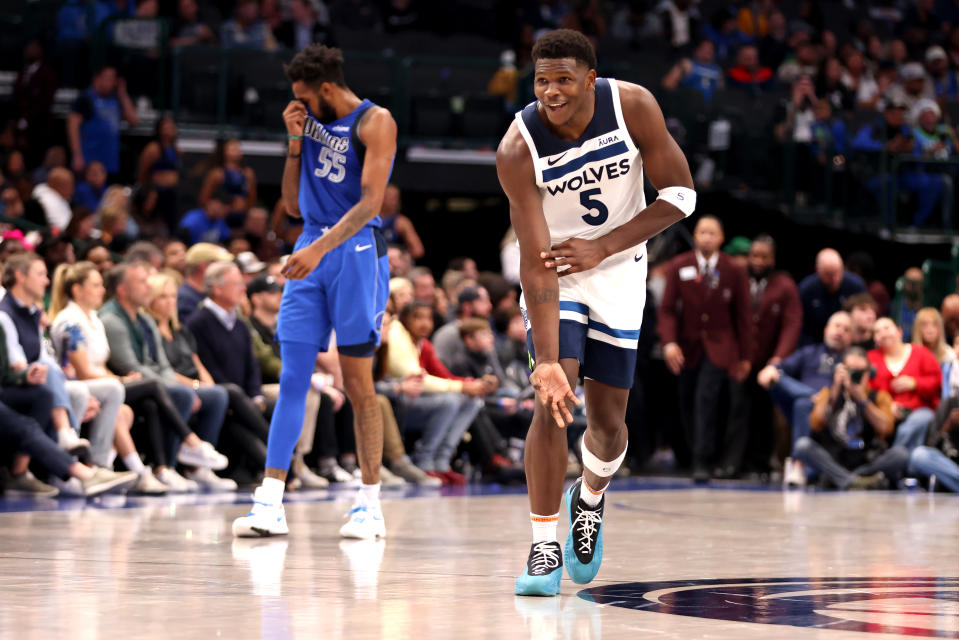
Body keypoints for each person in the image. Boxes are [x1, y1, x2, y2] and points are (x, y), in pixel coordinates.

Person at [496, 29, 695, 596]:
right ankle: (541, 547)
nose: (551, 92)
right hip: (557, 273)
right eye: (541, 81)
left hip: (620, 268)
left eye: (562, 79)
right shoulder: (518, 147)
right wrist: (549, 360)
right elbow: (534, 263)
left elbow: (681, 196)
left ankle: (590, 497)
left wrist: (604, 246)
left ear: (589, 78)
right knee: (553, 401)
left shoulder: (631, 105)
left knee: (608, 425)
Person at [232, 44, 397, 540]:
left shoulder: (375, 122)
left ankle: (370, 505)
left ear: (326, 89)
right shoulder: (307, 124)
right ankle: (270, 500)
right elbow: (290, 202)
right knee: (293, 380)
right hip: (312, 242)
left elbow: (370, 204)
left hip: (356, 252)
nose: (299, 104)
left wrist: (319, 249)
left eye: (304, 96)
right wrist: (294, 140)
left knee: (358, 383)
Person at [48, 261, 169, 494]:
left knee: (126, 411)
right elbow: (82, 370)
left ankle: (107, 468)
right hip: (77, 384)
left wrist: (115, 378)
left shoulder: (94, 319)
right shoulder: (69, 320)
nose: (102, 290)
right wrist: (119, 381)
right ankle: (118, 467)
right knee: (121, 391)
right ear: (77, 290)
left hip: (99, 382)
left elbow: (101, 364)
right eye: (95, 285)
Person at [660, 216, 752, 481]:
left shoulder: (733, 269)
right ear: (695, 236)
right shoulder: (680, 265)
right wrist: (669, 343)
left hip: (721, 348)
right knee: (686, 400)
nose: (707, 237)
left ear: (721, 238)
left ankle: (703, 460)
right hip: (687, 347)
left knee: (706, 400)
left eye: (712, 233)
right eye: (702, 232)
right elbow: (667, 310)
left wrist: (745, 356)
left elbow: (743, 316)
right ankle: (694, 454)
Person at [794, 347, 907, 490]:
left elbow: (886, 428)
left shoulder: (879, 396)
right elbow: (816, 424)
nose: (856, 375)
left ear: (868, 373)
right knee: (802, 445)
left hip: (866, 459)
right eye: (851, 370)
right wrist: (835, 389)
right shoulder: (829, 393)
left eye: (861, 371)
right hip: (834, 458)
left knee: (901, 454)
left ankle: (848, 479)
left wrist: (862, 399)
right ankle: (853, 480)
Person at [868, 317, 940, 452]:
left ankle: (892, 457)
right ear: (875, 339)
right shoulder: (871, 358)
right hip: (885, 414)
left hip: (920, 410)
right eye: (877, 331)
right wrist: (887, 405)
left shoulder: (921, 353)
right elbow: (867, 390)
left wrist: (915, 383)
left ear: (899, 331)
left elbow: (936, 383)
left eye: (887, 328)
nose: (883, 333)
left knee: (912, 425)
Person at [66, 66, 138, 177]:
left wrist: (123, 94)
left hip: (110, 162)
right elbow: (72, 126)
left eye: (113, 79)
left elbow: (133, 120)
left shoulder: (115, 100)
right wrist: (77, 155)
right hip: (89, 162)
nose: (111, 82)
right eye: (107, 78)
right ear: (96, 78)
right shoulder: (85, 98)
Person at [797, 248, 866, 346]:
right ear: (817, 271)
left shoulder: (856, 286)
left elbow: (865, 318)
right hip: (815, 343)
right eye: (829, 274)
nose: (835, 279)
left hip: (849, 343)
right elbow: (801, 328)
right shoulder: (806, 289)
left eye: (838, 272)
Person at [178, 242, 234, 321]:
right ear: (204, 267)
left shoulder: (206, 293)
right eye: (219, 265)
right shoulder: (185, 298)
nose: (224, 271)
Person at [913, 307, 957, 398]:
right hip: (919, 401)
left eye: (934, 325)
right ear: (918, 329)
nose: (930, 330)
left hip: (944, 402)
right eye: (924, 325)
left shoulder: (949, 355)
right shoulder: (910, 353)